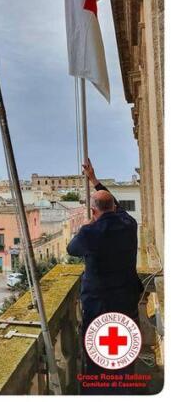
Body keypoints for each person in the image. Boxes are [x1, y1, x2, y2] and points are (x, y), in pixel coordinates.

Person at [67, 159, 143, 392]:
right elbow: (113, 204)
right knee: (124, 354)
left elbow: (72, 249)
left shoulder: (90, 232)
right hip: (126, 302)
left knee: (99, 359)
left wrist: (86, 225)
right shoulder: (129, 223)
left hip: (99, 305)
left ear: (93, 212)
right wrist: (95, 181)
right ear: (113, 208)